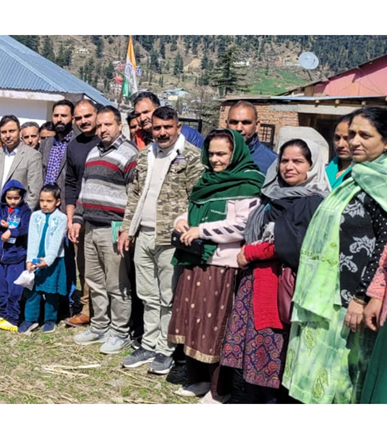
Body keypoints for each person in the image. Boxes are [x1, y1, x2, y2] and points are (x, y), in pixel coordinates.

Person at [284, 107, 387, 404]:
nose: (355, 141)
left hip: (351, 300)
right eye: (351, 134)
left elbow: (386, 246)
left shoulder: (386, 183)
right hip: (326, 295)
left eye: (365, 135)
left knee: (342, 377)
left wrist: (362, 297)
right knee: (318, 371)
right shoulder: (356, 176)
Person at [220, 127, 331, 403]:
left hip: (279, 285)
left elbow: (294, 243)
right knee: (254, 341)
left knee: (272, 343)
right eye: (284, 160)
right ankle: (255, 398)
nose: (289, 167)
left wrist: (253, 252)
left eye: (298, 161)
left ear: (312, 166)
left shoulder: (311, 201)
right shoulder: (272, 194)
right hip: (256, 282)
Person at [167, 129, 264, 404]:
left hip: (223, 265)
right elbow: (196, 209)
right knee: (193, 321)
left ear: (236, 154)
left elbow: (244, 225)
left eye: (222, 153)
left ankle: (220, 390)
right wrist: (181, 221)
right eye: (211, 153)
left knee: (216, 327)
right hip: (196, 260)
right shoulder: (207, 179)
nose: (215, 159)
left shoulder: (249, 182)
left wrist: (202, 231)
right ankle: (198, 379)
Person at [118, 106, 204, 375]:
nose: (162, 132)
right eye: (157, 128)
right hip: (143, 233)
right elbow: (135, 194)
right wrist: (126, 229)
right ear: (151, 129)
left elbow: (196, 199)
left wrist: (188, 228)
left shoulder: (190, 157)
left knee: (167, 295)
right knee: (146, 294)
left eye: (168, 127)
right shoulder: (145, 155)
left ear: (178, 127)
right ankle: (149, 344)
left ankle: (166, 349)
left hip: (171, 237)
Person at [70, 106, 139, 354]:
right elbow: (84, 190)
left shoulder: (129, 154)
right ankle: (99, 325)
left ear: (120, 125)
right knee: (94, 281)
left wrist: (127, 229)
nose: (102, 130)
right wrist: (77, 218)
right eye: (99, 125)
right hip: (90, 225)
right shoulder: (93, 152)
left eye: (107, 125)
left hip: (114, 227)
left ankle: (120, 332)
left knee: (116, 282)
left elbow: (135, 197)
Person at [61, 99, 100, 326]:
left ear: (96, 115)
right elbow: (70, 183)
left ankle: (105, 311)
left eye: (88, 116)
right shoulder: (73, 145)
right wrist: (70, 217)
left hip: (104, 215)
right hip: (78, 215)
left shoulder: (104, 143)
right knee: (83, 264)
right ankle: (87, 308)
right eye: (79, 118)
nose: (84, 121)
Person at [21, 184, 68, 333]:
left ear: (58, 202)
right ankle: (30, 319)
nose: (44, 204)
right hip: (36, 260)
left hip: (53, 261)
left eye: (49, 201)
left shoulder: (61, 218)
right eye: (42, 201)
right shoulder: (35, 216)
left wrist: (48, 260)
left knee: (51, 292)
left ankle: (50, 319)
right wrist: (30, 259)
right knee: (32, 290)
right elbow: (32, 239)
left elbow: (56, 241)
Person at [0, 180, 31, 331]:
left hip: (16, 256)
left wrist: (12, 231)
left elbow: (26, 228)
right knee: (2, 288)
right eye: (9, 198)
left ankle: (13, 318)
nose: (12, 201)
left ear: (21, 197)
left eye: (16, 198)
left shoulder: (25, 210)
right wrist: (0, 222)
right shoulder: (0, 208)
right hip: (1, 255)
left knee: (14, 289)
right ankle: (2, 313)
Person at [0, 115, 43, 218]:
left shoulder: (32, 156)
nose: (8, 135)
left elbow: (34, 192)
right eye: (4, 132)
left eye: (12, 131)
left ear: (19, 131)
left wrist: (18, 217)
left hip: (18, 220)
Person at [132, 91, 204, 150]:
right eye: (138, 115)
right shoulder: (138, 141)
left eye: (146, 112)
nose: (142, 118)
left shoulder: (188, 135)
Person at [226, 101, 277, 173]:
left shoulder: (272, 162)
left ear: (257, 125)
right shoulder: (214, 155)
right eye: (234, 122)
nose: (239, 128)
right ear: (226, 124)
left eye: (246, 122)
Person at [326, 114, 353, 188]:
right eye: (337, 138)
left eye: (347, 138)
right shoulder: (324, 172)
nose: (340, 145)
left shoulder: (365, 175)